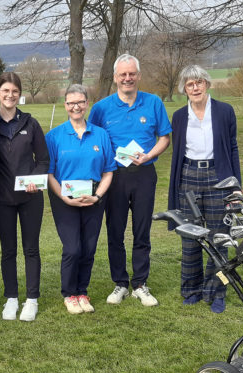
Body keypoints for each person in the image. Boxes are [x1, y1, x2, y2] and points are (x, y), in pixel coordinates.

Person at [89, 54, 171, 307]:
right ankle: (120, 283)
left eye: (131, 74)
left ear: (138, 76)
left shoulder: (154, 102)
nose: (127, 78)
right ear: (115, 78)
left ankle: (140, 284)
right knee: (115, 231)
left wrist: (149, 155)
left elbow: (165, 137)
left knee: (142, 230)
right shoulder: (102, 108)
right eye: (123, 74)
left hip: (144, 174)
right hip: (115, 177)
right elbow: (92, 140)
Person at [168, 65, 241, 313]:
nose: (195, 87)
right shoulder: (178, 117)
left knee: (219, 237)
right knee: (190, 237)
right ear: (184, 89)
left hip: (217, 176)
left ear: (207, 84)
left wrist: (236, 185)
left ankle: (217, 291)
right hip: (188, 176)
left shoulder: (224, 111)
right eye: (190, 84)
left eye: (199, 82)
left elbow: (233, 148)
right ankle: (191, 289)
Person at [46, 84, 115, 314]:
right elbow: (49, 174)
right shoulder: (54, 136)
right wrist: (64, 198)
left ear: (87, 104)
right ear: (65, 105)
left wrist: (97, 196)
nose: (76, 106)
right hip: (64, 198)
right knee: (73, 248)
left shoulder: (101, 135)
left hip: (93, 198)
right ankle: (69, 293)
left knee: (88, 248)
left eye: (80, 102)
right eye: (71, 102)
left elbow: (108, 171)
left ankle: (82, 292)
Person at [0, 72, 49, 322]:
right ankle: (11, 298)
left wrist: (35, 180)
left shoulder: (31, 124)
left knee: (31, 249)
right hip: (1, 198)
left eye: (14, 91)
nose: (10, 95)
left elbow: (43, 160)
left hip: (30, 198)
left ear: (19, 94)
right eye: (5, 91)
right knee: (8, 251)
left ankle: (31, 299)